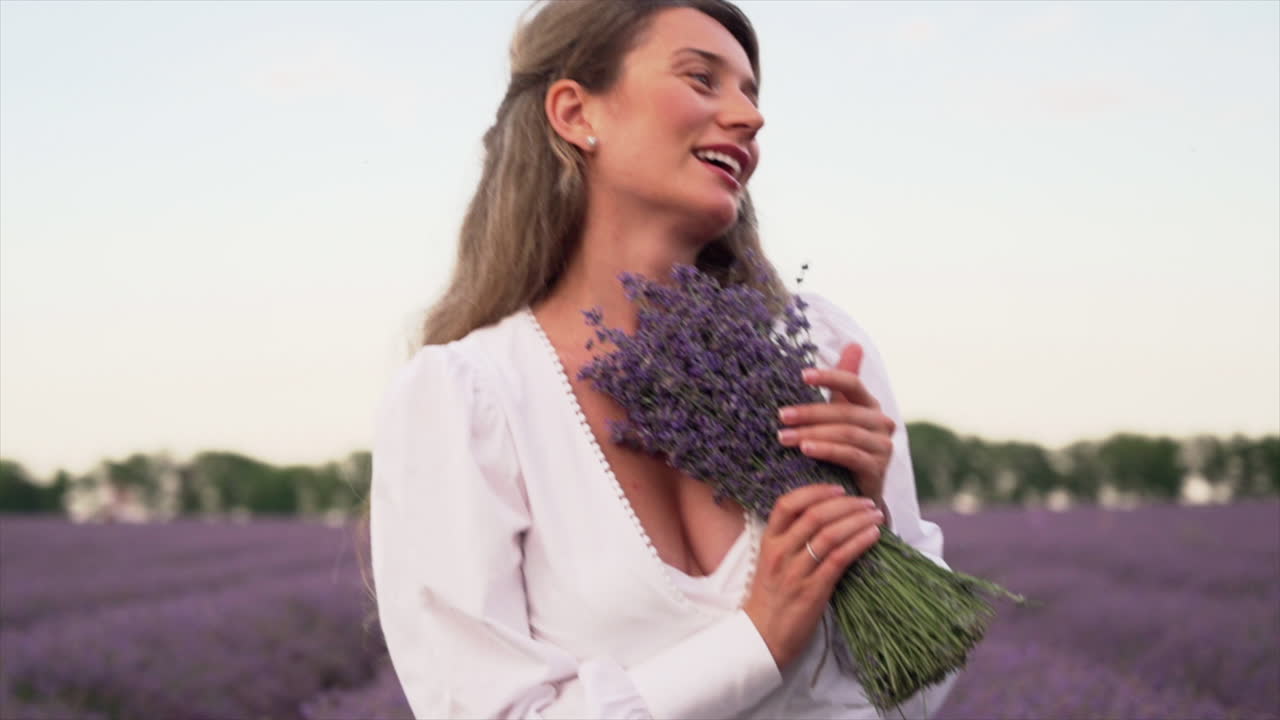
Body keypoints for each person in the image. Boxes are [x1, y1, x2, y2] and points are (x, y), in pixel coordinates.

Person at [366, 1, 957, 717]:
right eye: (702, 79)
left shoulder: (819, 347)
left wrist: (871, 535)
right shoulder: (468, 398)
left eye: (751, 93)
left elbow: (919, 693)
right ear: (576, 112)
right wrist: (756, 642)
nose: (750, 117)